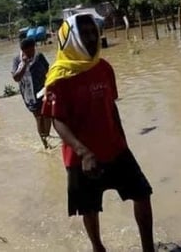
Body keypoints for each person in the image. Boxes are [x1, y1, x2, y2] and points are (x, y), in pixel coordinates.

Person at [41, 13, 155, 252]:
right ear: (71, 38)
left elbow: (111, 106)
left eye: (93, 32)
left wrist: (123, 141)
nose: (92, 37)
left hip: (115, 148)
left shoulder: (103, 68)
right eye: (85, 33)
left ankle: (148, 249)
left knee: (142, 193)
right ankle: (98, 248)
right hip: (81, 158)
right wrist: (84, 152)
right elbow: (57, 121)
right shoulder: (59, 77)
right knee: (89, 209)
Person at [12, 38, 51, 149]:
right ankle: (45, 144)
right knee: (38, 117)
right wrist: (24, 64)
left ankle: (47, 136)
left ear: (34, 48)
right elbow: (16, 77)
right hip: (29, 95)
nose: (30, 54)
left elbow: (48, 69)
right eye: (27, 52)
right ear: (22, 50)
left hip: (43, 90)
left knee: (47, 115)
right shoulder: (17, 60)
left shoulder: (39, 57)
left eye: (32, 51)